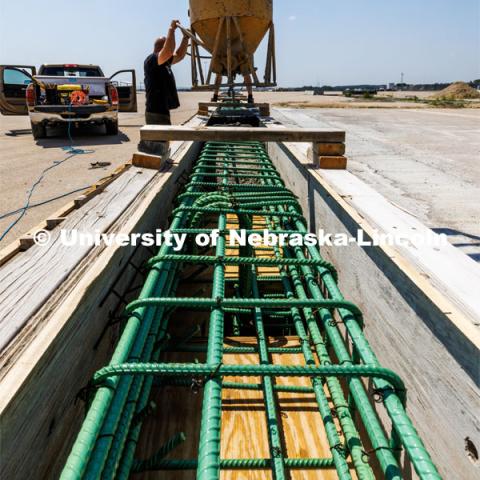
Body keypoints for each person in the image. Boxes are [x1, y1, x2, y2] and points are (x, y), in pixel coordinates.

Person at [144, 20, 189, 125]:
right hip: (155, 113)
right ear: (162, 48)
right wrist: (171, 29)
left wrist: (185, 38)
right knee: (159, 141)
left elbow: (179, 55)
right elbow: (169, 50)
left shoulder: (164, 62)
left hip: (163, 111)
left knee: (164, 140)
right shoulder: (152, 60)